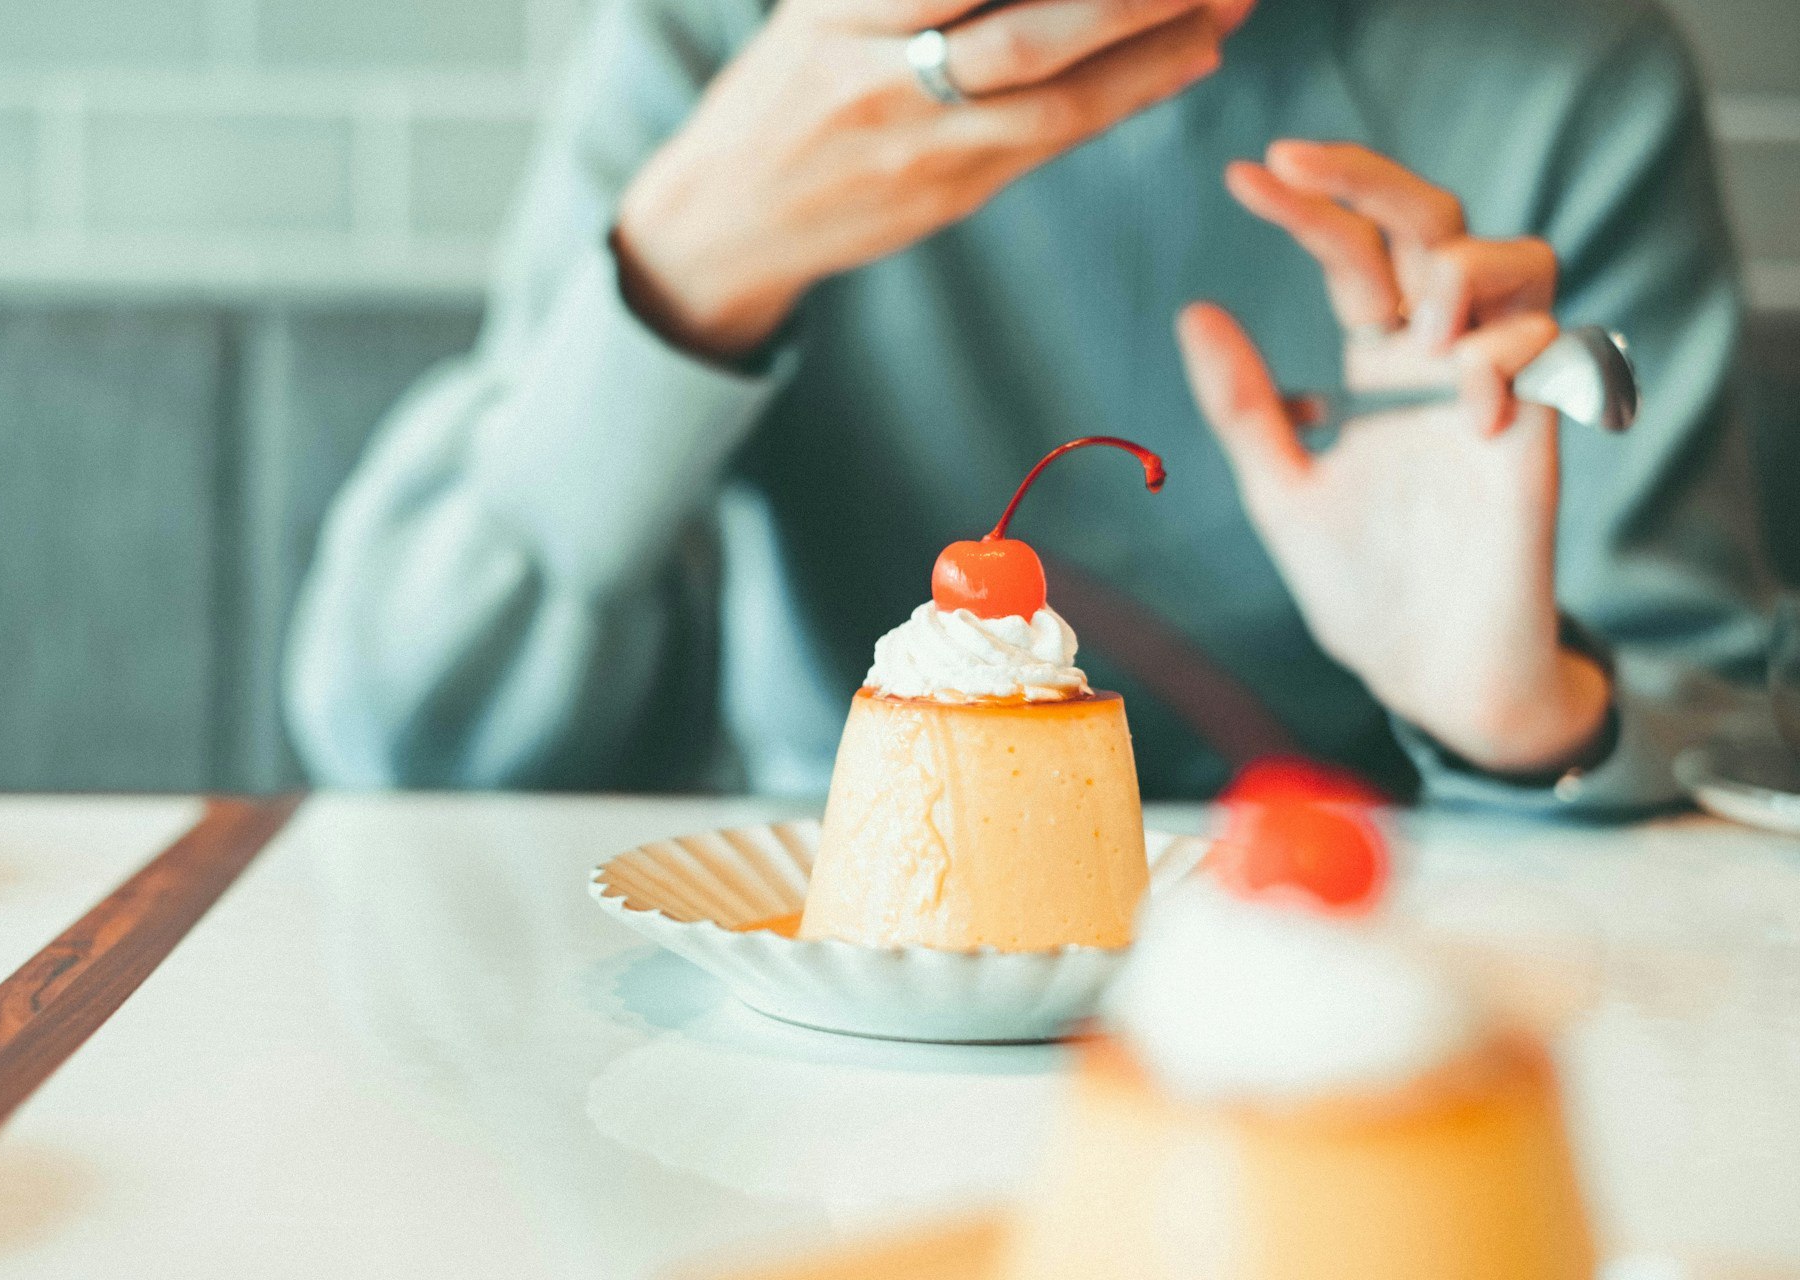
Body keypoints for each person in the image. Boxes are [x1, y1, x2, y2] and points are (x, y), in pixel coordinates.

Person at [285, 0, 1773, 811]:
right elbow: (412, 741)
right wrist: (680, 277)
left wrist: (1522, 721)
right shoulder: (727, 37)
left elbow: (1719, 760)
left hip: (1360, 1000)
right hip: (834, 995)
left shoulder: (1563, 70)